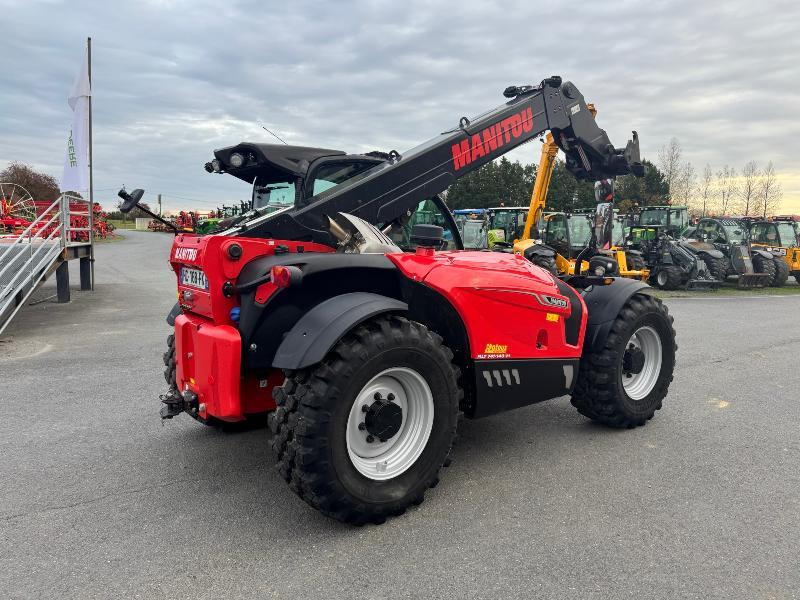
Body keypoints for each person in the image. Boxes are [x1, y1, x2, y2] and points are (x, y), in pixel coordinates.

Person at [593, 179, 615, 249]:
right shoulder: (600, 207)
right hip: (603, 204)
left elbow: (611, 194)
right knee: (599, 228)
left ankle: (603, 244)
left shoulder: (608, 185)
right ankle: (599, 243)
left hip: (606, 204)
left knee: (604, 228)